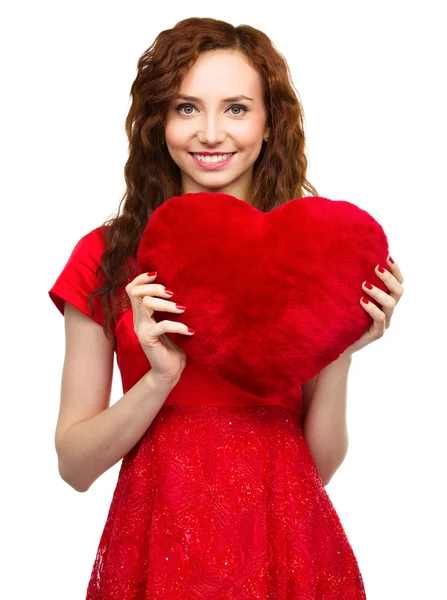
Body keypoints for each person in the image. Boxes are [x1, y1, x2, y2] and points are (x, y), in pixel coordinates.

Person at [48, 17, 404, 600]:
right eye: (187, 108)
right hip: (155, 545)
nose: (211, 133)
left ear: (270, 124)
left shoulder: (316, 258)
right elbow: (74, 467)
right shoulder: (104, 257)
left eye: (236, 108)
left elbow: (318, 467)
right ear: (158, 123)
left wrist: (340, 349)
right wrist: (160, 378)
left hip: (285, 545)